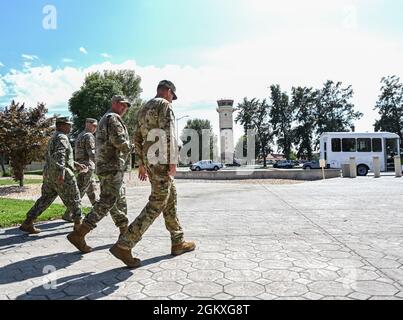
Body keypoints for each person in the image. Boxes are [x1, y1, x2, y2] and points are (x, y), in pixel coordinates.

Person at [110, 80, 196, 268]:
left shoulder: (143, 108)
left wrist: (141, 163)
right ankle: (125, 244)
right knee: (157, 202)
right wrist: (173, 161)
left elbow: (137, 137)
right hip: (162, 161)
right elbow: (169, 133)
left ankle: (178, 241)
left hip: (150, 162)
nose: (172, 100)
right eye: (173, 95)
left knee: (170, 196)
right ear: (167, 91)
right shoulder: (164, 105)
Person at [67, 96, 132, 253]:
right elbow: (120, 142)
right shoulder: (113, 118)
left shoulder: (105, 118)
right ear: (114, 103)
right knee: (107, 201)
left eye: (126, 106)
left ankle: (125, 233)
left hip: (109, 166)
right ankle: (80, 232)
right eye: (122, 105)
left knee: (118, 200)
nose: (124, 108)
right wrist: (137, 147)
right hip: (112, 166)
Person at [19, 117, 86, 234]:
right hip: (61, 174)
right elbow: (60, 155)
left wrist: (75, 164)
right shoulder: (62, 137)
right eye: (68, 125)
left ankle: (28, 222)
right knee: (75, 198)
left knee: (45, 198)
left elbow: (56, 156)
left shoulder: (53, 138)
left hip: (49, 174)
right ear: (60, 126)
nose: (70, 127)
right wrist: (61, 172)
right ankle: (78, 226)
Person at [62, 118, 99, 222]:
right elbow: (92, 153)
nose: (96, 128)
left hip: (81, 166)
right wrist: (100, 164)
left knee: (91, 189)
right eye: (95, 126)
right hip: (87, 167)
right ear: (89, 125)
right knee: (80, 192)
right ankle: (68, 213)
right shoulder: (89, 136)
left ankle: (98, 210)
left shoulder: (80, 135)